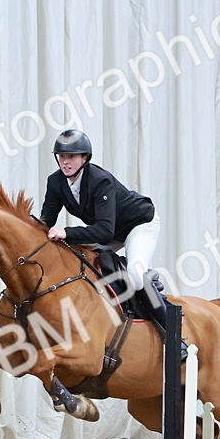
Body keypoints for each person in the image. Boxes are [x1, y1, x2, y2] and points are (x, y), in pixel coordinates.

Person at [39, 130, 181, 353]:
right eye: (62, 157)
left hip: (138, 224)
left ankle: (174, 337)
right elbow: (46, 221)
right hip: (109, 229)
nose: (65, 162)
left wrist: (66, 232)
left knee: (134, 273)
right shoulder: (55, 182)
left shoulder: (99, 180)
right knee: (79, 259)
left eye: (72, 157)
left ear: (85, 158)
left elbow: (105, 232)